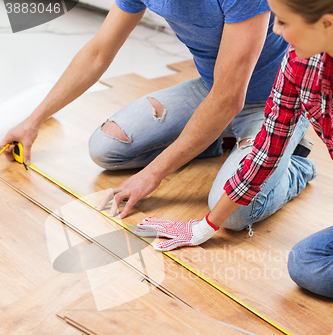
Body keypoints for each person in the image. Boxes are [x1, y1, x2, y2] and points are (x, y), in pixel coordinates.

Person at [1, 0, 314, 231]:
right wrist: (33, 120)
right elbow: (98, 52)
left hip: (275, 101)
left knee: (234, 214)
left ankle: (295, 164)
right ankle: (219, 140)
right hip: (211, 88)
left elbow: (229, 98)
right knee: (105, 148)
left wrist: (153, 174)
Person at [137, 0, 333, 335]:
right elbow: (266, 148)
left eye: (284, 22)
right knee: (306, 264)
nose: (275, 30)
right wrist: (205, 225)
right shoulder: (298, 63)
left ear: (327, 24)